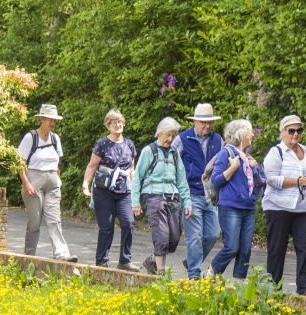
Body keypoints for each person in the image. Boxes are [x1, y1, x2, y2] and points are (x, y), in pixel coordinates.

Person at [262, 115, 306, 295]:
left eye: (299, 130)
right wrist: (296, 181)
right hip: (278, 207)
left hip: (303, 208)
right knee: (277, 249)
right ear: (282, 132)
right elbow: (269, 179)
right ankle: (273, 288)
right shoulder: (276, 152)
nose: (295, 134)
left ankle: (304, 287)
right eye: (291, 130)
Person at [202, 119, 266, 279]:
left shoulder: (248, 156)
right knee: (231, 247)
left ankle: (238, 283)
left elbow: (261, 183)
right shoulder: (226, 153)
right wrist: (233, 167)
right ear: (241, 133)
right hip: (230, 207)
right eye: (250, 130)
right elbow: (216, 180)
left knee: (245, 249)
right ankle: (210, 274)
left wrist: (256, 167)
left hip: (249, 208)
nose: (252, 134)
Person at [132, 117, 192, 276]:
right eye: (168, 135)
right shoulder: (148, 151)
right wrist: (135, 203)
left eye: (173, 136)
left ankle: (152, 260)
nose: (170, 139)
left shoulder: (174, 153)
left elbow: (182, 180)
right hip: (153, 196)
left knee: (174, 237)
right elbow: (137, 177)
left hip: (173, 198)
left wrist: (188, 203)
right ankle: (161, 274)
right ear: (160, 132)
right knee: (161, 236)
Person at [17, 104, 77, 262]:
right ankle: (29, 256)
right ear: (41, 119)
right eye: (50, 120)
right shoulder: (31, 137)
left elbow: (57, 166)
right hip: (33, 180)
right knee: (34, 223)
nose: (53, 123)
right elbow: (19, 164)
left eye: (55, 121)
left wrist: (59, 187)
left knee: (54, 220)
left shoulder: (55, 139)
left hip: (52, 182)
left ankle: (62, 255)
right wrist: (26, 183)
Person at [81, 109, 138, 270]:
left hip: (124, 191)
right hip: (104, 191)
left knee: (128, 223)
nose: (118, 125)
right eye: (114, 122)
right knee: (106, 227)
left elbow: (132, 169)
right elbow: (92, 166)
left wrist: (134, 191)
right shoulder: (102, 144)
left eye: (120, 122)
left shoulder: (130, 144)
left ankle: (125, 260)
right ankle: (101, 261)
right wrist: (86, 184)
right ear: (108, 125)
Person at [171, 103, 223, 279]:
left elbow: (222, 164)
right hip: (190, 193)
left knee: (214, 232)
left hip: (212, 194)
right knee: (194, 235)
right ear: (194, 121)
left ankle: (192, 259)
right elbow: (170, 162)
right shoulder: (182, 139)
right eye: (203, 122)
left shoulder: (217, 140)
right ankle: (193, 274)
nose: (207, 126)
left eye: (210, 123)